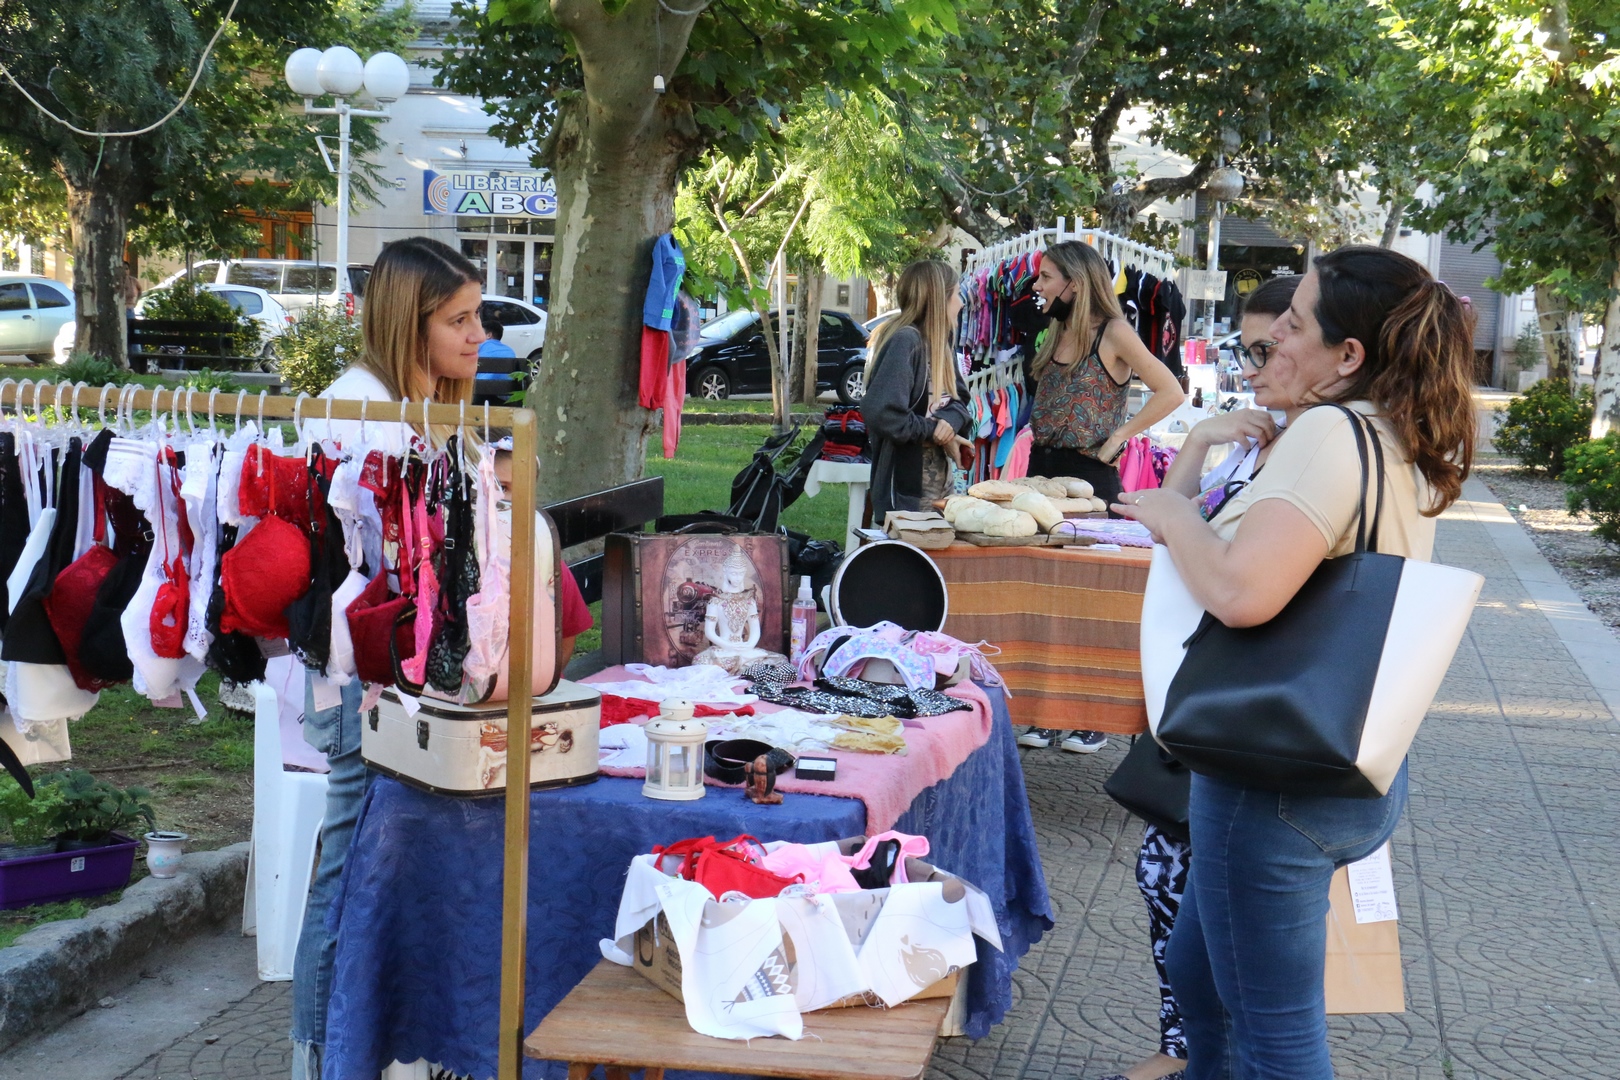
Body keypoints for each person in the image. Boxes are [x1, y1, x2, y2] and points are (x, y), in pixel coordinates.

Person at [1115, 245, 1475, 1079]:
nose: (1275, 333)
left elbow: (1243, 593)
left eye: (1296, 321)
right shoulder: (1394, 434)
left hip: (1271, 774)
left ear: (1347, 355)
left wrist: (1174, 515)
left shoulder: (1329, 432)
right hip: (1344, 756)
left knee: (1276, 1036)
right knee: (1203, 975)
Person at [291, 237, 549, 1079]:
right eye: (459, 320)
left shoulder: (424, 409)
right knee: (348, 877)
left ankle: (356, 1050)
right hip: (357, 681)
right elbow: (364, 565)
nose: (480, 336)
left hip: (393, 680)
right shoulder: (358, 410)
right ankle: (321, 1058)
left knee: (371, 872)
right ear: (411, 322)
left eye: (478, 317)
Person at [1094, 273, 1300, 1080]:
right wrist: (1200, 442)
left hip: (1238, 706)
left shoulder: (1314, 456)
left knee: (1202, 902)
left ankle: (1193, 1050)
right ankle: (1183, 1047)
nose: (1253, 367)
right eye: (1245, 350)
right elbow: (1162, 518)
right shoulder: (1255, 440)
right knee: (1166, 880)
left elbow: (1233, 574)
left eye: (1268, 348)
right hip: (1196, 695)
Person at [1020, 241, 1184, 756]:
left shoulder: (1113, 331)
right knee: (1046, 596)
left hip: (1091, 480)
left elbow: (1171, 390)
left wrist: (1121, 436)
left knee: (1089, 600)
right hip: (1041, 472)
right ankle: (1049, 711)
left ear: (1075, 282)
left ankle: (1093, 717)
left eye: (1047, 276)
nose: (1038, 285)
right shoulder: (1054, 329)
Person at [862, 259, 973, 524]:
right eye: (957, 294)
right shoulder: (906, 341)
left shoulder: (940, 342)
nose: (961, 303)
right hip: (906, 492)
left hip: (940, 487)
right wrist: (934, 431)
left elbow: (960, 399)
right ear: (939, 299)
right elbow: (883, 414)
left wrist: (949, 424)